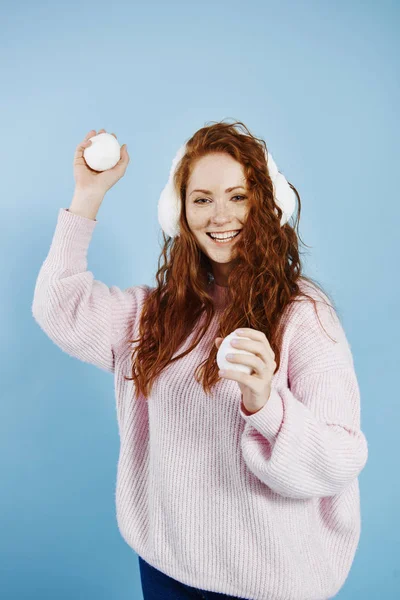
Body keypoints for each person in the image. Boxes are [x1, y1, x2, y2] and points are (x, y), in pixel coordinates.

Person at [32, 120, 369, 600]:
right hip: (167, 567)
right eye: (202, 198)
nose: (219, 215)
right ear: (181, 212)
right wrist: (88, 193)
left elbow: (339, 457)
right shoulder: (157, 315)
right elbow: (59, 307)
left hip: (266, 583)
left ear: (265, 204)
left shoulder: (303, 316)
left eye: (237, 196)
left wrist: (265, 402)